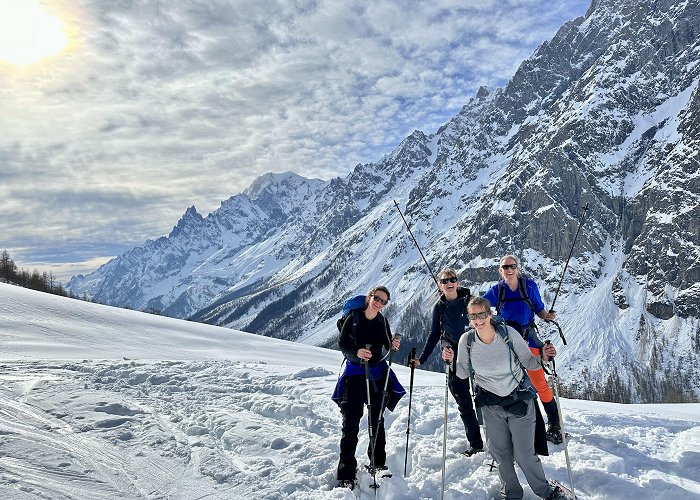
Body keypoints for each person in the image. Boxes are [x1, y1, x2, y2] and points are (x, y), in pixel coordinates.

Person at [447, 296, 570, 500]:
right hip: (490, 405)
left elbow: (529, 363)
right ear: (469, 318)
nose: (478, 319)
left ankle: (546, 492)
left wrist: (544, 358)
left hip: (518, 401)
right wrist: (451, 361)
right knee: (501, 454)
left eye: (481, 314)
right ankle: (511, 494)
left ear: (489, 314)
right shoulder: (466, 341)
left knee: (524, 455)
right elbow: (462, 373)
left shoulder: (507, 334)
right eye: (473, 316)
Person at [483, 255, 561, 443]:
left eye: (512, 266)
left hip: (528, 341)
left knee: (539, 383)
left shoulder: (529, 286)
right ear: (500, 271)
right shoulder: (496, 291)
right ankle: (521, 425)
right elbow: (480, 307)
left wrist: (546, 317)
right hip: (507, 344)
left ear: (517, 268)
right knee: (510, 385)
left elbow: (538, 309)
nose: (509, 270)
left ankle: (554, 422)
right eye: (505, 267)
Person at [332, 285, 403, 489]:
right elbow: (343, 343)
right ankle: (346, 470)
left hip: (375, 374)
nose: (379, 303)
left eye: (383, 301)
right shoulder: (353, 317)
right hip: (354, 374)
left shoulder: (382, 320)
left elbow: (387, 344)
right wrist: (357, 351)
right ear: (369, 297)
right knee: (351, 422)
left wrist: (394, 345)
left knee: (377, 419)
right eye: (376, 298)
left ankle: (378, 463)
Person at [409, 268, 484, 456]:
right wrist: (423, 359)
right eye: (444, 281)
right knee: (463, 400)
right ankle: (476, 443)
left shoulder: (471, 301)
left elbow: (485, 324)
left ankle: (497, 439)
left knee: (487, 398)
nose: (449, 283)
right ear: (440, 285)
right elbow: (434, 334)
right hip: (453, 356)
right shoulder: (440, 307)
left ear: (458, 282)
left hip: (477, 352)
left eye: (452, 279)